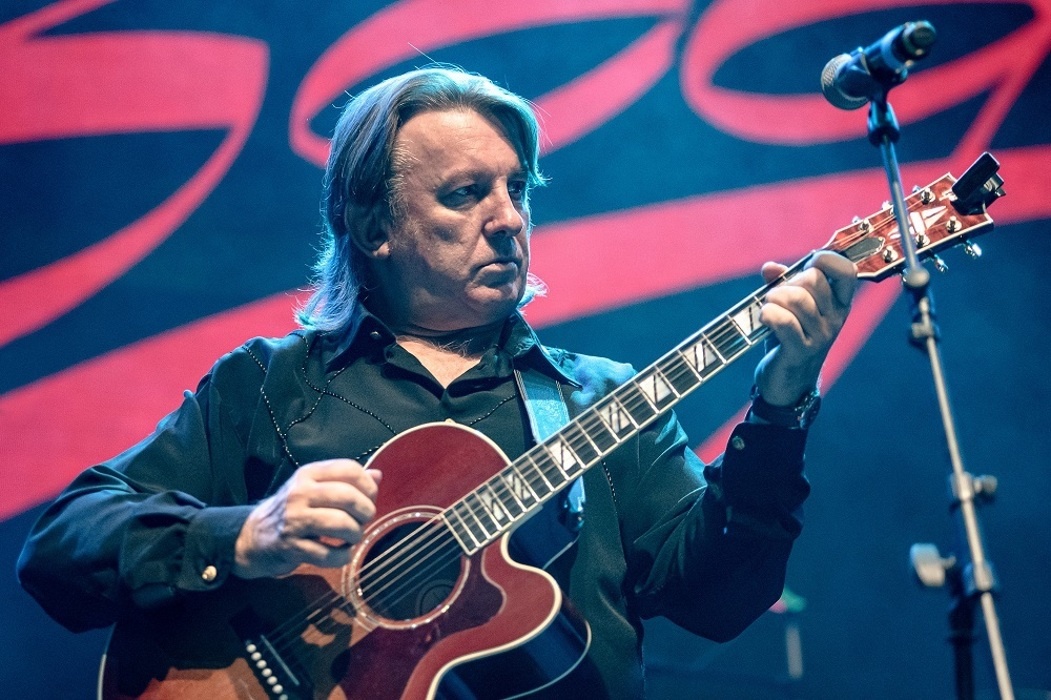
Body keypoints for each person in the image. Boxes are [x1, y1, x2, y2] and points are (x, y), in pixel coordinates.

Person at [18, 67, 856, 698]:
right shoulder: (269, 384)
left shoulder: (602, 401)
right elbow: (61, 544)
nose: (509, 218)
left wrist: (779, 405)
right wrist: (245, 536)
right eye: (465, 194)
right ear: (373, 225)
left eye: (516, 188)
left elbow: (718, 602)